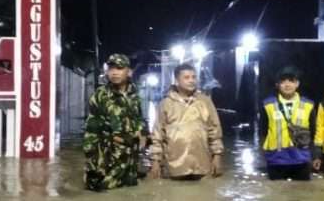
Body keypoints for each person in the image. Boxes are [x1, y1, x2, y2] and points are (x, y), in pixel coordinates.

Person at [82, 54, 147, 191]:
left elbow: (139, 119)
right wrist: (91, 165)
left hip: (130, 162)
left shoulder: (134, 95)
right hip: (109, 161)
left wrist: (142, 133)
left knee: (129, 197)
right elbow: (91, 132)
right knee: (105, 198)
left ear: (129, 72)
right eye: (111, 68)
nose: (114, 72)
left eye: (119, 68)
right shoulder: (101, 95)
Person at [150, 63, 223, 180]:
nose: (191, 81)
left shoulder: (205, 102)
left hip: (202, 165)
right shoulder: (166, 104)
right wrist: (155, 161)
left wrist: (217, 156)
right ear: (177, 80)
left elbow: (215, 131)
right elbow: (158, 135)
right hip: (174, 166)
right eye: (186, 77)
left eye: (194, 77)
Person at [260, 67, 315, 180]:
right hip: (276, 159)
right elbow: (263, 131)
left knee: (303, 195)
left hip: (301, 159)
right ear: (277, 85)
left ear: (297, 84)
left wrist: (315, 155)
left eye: (291, 81)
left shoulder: (309, 105)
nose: (287, 84)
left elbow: (314, 131)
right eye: (283, 81)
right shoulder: (267, 105)